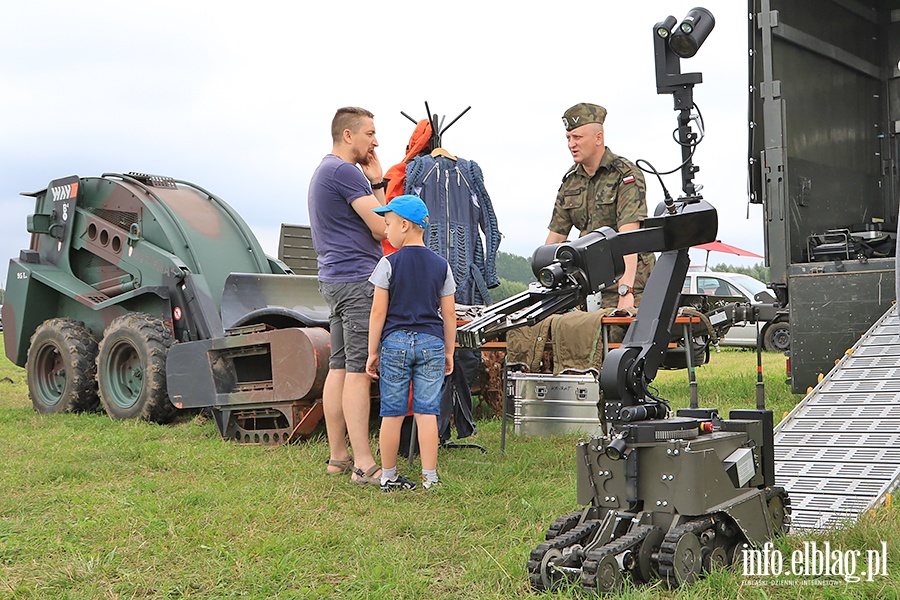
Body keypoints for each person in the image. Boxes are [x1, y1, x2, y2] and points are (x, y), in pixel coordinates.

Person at [308, 106, 390, 485]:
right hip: (358, 281)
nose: (375, 141)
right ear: (348, 135)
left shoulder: (324, 170)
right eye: (370, 133)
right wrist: (377, 183)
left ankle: (338, 457)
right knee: (359, 371)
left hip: (333, 279)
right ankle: (363, 464)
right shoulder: (344, 172)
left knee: (339, 368)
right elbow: (382, 227)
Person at [365, 194, 456, 491]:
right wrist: (449, 351)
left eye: (388, 223)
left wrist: (372, 351)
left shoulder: (388, 263)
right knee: (427, 411)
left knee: (391, 411)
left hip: (395, 343)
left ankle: (388, 476)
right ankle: (430, 477)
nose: (386, 230)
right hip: (431, 342)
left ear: (405, 225)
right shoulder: (441, 265)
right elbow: (449, 314)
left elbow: (378, 311)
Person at [545, 103, 656, 310]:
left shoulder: (625, 175)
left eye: (577, 137)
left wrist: (626, 291)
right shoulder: (571, 181)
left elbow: (629, 238)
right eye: (568, 138)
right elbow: (555, 239)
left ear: (599, 138)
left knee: (616, 336)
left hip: (630, 284)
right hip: (588, 284)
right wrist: (542, 285)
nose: (571, 144)